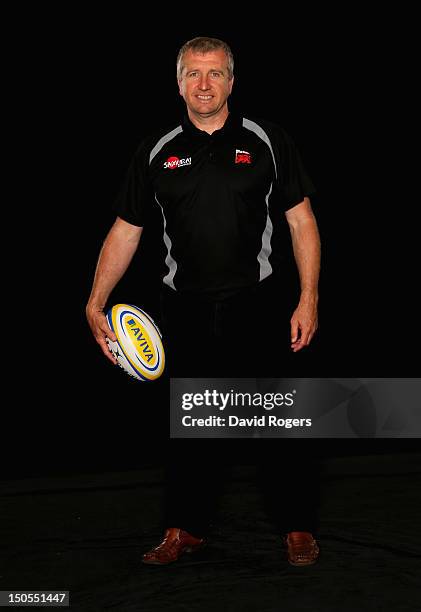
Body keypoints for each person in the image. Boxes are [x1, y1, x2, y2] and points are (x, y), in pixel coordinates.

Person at [86, 36, 322, 567]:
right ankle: (184, 529)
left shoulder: (267, 139)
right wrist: (95, 301)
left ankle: (298, 528)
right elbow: (126, 230)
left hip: (258, 304)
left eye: (214, 73)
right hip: (184, 309)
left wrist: (308, 298)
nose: (204, 84)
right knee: (189, 425)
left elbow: (300, 221)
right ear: (178, 83)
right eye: (193, 74)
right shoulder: (156, 149)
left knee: (277, 423)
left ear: (232, 81)